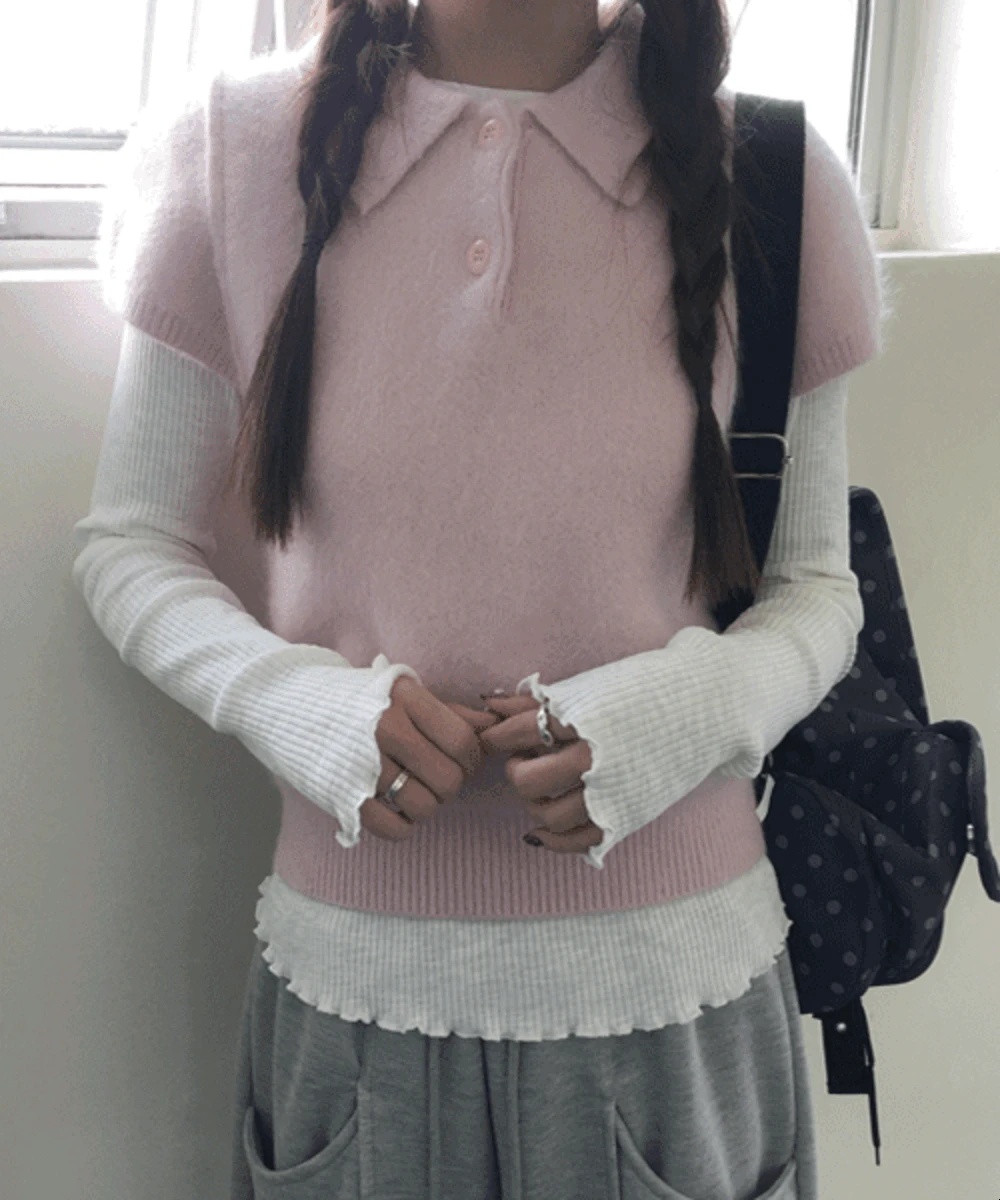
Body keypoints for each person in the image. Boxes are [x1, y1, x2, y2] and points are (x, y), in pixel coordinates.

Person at [72, 0, 890, 1195]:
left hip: (677, 1005)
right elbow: (134, 544)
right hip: (354, 1008)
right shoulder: (228, 151)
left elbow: (816, 585)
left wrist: (680, 716)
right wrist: (299, 708)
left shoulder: (771, 173)